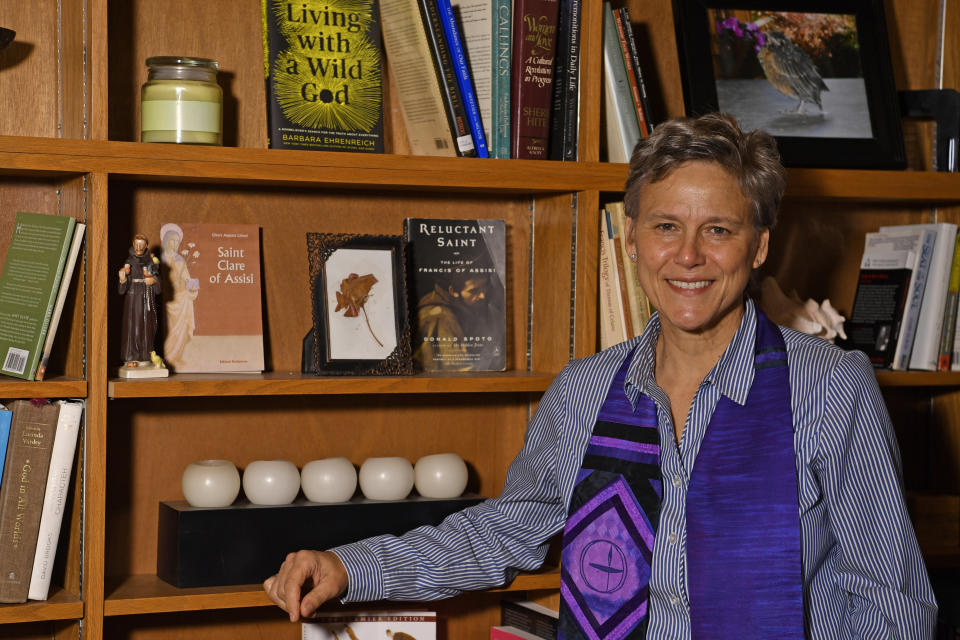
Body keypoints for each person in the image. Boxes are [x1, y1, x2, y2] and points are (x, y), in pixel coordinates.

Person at [264, 113, 937, 638]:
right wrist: (354, 566)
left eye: (720, 231)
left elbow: (891, 599)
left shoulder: (829, 388)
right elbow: (503, 531)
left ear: (759, 245)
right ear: (634, 238)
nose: (689, 256)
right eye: (667, 226)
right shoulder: (584, 391)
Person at [412, 271, 505, 371]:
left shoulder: (442, 298)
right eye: (473, 291)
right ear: (452, 291)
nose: (483, 295)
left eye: (485, 287)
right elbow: (457, 369)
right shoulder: (442, 318)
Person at [118, 233, 161, 366]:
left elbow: (159, 286)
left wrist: (153, 281)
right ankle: (131, 357)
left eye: (141, 245)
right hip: (132, 299)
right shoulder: (129, 262)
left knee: (146, 327)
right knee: (133, 327)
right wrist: (123, 278)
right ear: (133, 245)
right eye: (136, 244)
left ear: (146, 246)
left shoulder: (151, 261)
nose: (138, 247)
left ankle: (145, 356)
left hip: (146, 298)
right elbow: (121, 290)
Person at [160, 223, 199, 367]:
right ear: (166, 240)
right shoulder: (160, 259)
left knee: (183, 324)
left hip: (182, 297)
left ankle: (176, 355)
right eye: (172, 240)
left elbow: (188, 278)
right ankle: (169, 357)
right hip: (168, 299)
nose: (175, 243)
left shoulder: (180, 259)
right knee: (169, 328)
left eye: (177, 241)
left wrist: (193, 288)